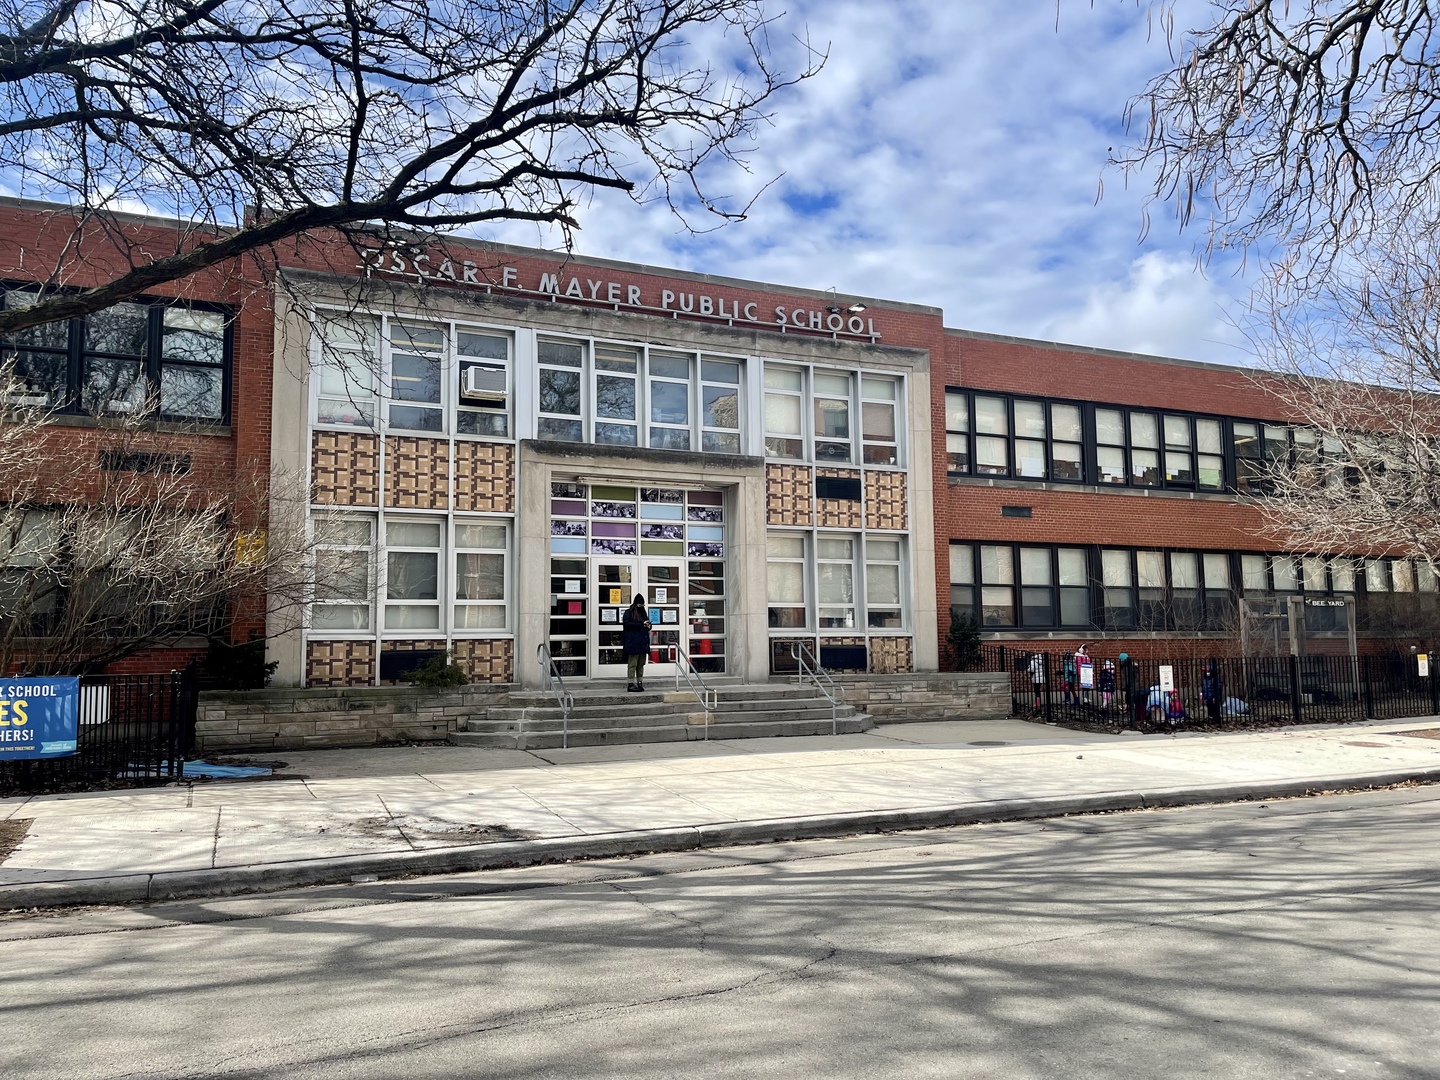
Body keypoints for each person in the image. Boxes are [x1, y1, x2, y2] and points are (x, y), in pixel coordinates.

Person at [622, 594, 653, 692]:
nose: (641, 607)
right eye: (639, 605)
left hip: (642, 643)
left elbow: (646, 625)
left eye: (642, 605)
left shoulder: (643, 613)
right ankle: (630, 683)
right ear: (636, 604)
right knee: (632, 664)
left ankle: (640, 682)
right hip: (633, 643)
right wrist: (641, 624)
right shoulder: (629, 613)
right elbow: (627, 624)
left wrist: (648, 626)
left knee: (641, 664)